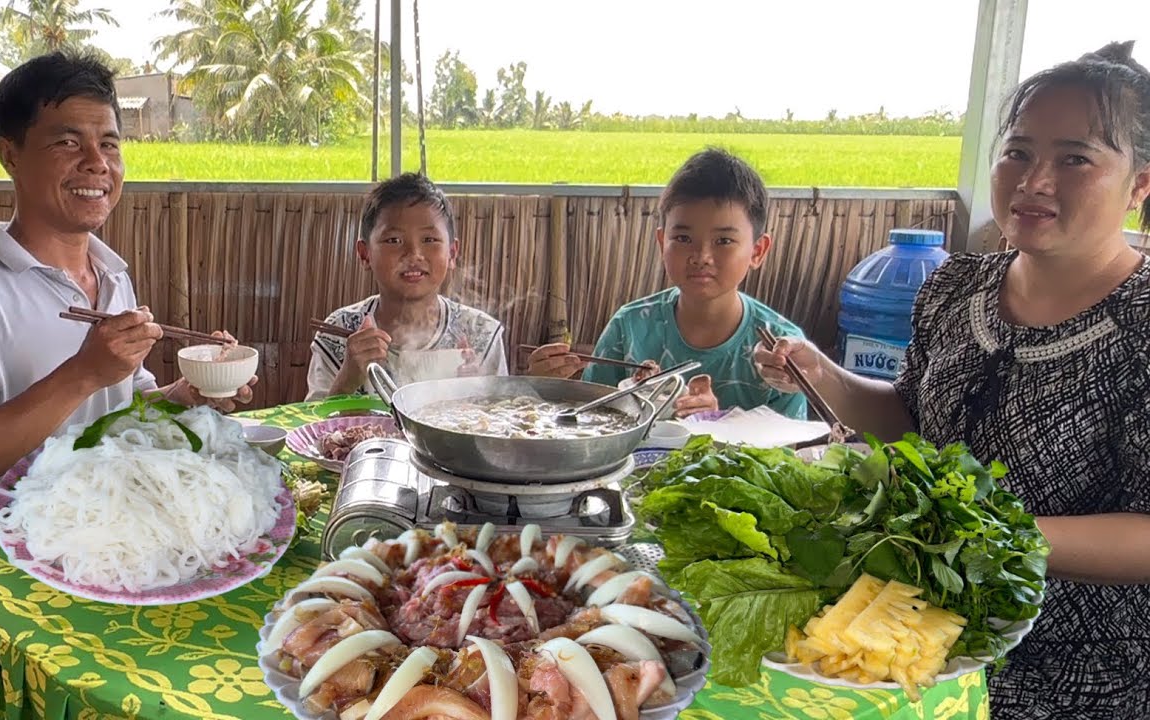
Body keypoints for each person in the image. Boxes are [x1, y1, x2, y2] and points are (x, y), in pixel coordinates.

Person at [755, 41, 1150, 717]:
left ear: (1141, 182)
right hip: (912, 629)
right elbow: (913, 421)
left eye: (1075, 158)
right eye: (1018, 151)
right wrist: (824, 376)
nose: (1034, 180)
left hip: (1082, 668)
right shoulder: (956, 285)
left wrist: (977, 532)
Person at [0, 51, 255, 656]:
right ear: (9, 154)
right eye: (68, 142)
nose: (97, 164)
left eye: (111, 145)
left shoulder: (111, 276)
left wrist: (183, 395)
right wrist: (83, 373)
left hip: (111, 536)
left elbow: (124, 405)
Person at [528, 148, 808, 419]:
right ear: (663, 243)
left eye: (724, 241)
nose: (702, 257)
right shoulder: (631, 327)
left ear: (757, 251)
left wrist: (715, 425)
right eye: (683, 239)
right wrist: (544, 390)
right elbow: (592, 423)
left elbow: (785, 460)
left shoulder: (780, 351)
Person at [306, 173, 507, 399]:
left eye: (429, 240)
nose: (413, 254)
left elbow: (500, 425)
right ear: (365, 255)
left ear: (451, 253)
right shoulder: (339, 333)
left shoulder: (480, 334)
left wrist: (478, 395)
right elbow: (311, 427)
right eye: (394, 241)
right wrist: (347, 381)